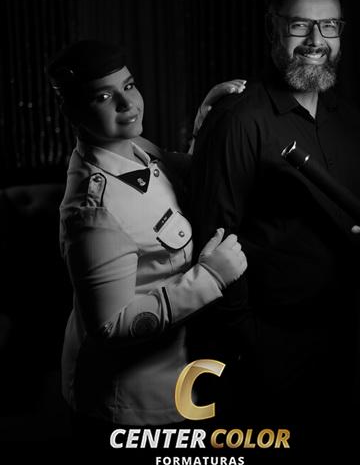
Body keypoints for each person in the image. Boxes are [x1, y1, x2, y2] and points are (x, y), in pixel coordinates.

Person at [189, 0, 360, 457]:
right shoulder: (238, 120)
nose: (315, 41)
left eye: (329, 26)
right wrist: (250, 344)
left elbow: (357, 216)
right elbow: (212, 241)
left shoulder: (349, 119)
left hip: (343, 338)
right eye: (300, 25)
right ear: (273, 29)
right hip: (268, 350)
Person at [47, 39, 247, 447]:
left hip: (179, 377)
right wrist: (209, 278)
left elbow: (179, 180)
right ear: (73, 112)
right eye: (104, 96)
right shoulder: (92, 210)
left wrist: (206, 123)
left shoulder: (135, 150)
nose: (128, 104)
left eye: (129, 85)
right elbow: (109, 324)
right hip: (126, 405)